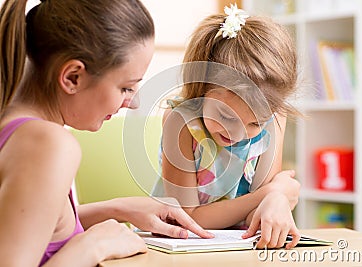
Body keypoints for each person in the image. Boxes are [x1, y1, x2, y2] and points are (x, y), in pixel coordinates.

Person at [0, 0, 213, 266]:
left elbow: (30, 224)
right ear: (73, 77)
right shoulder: (49, 145)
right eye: (125, 87)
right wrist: (93, 245)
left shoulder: (14, 124)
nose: (133, 102)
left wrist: (117, 209)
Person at [152, 4, 301, 249]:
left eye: (255, 123)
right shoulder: (180, 122)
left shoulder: (275, 118)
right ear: (201, 88)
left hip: (239, 246)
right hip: (180, 243)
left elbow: (258, 214)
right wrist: (270, 194)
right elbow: (189, 217)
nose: (238, 134)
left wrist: (275, 201)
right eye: (227, 116)